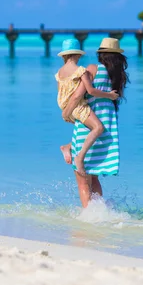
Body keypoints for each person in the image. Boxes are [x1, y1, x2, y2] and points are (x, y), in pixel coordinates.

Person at [60, 37, 129, 207]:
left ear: (101, 54)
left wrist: (66, 112)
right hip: (105, 129)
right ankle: (100, 212)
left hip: (87, 125)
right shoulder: (118, 77)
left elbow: (78, 95)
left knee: (83, 179)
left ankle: (87, 217)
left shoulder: (92, 69)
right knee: (94, 176)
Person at [55, 38, 119, 176]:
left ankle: (68, 147)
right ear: (78, 54)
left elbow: (60, 91)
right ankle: (79, 158)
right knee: (98, 128)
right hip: (77, 106)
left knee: (88, 127)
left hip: (64, 105)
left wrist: (65, 111)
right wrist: (109, 95)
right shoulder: (81, 71)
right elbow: (89, 91)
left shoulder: (60, 72)